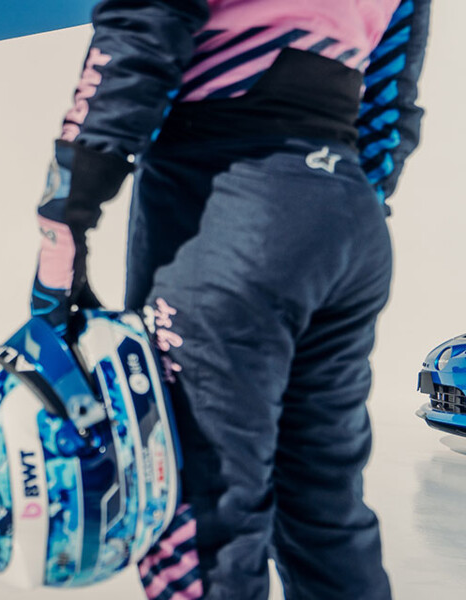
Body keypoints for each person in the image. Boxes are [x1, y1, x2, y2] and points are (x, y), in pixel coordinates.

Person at [31, 0, 430, 598]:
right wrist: (329, 201)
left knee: (201, 514)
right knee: (325, 510)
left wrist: (65, 215)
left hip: (225, 204)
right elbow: (392, 99)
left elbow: (143, 29)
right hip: (344, 213)